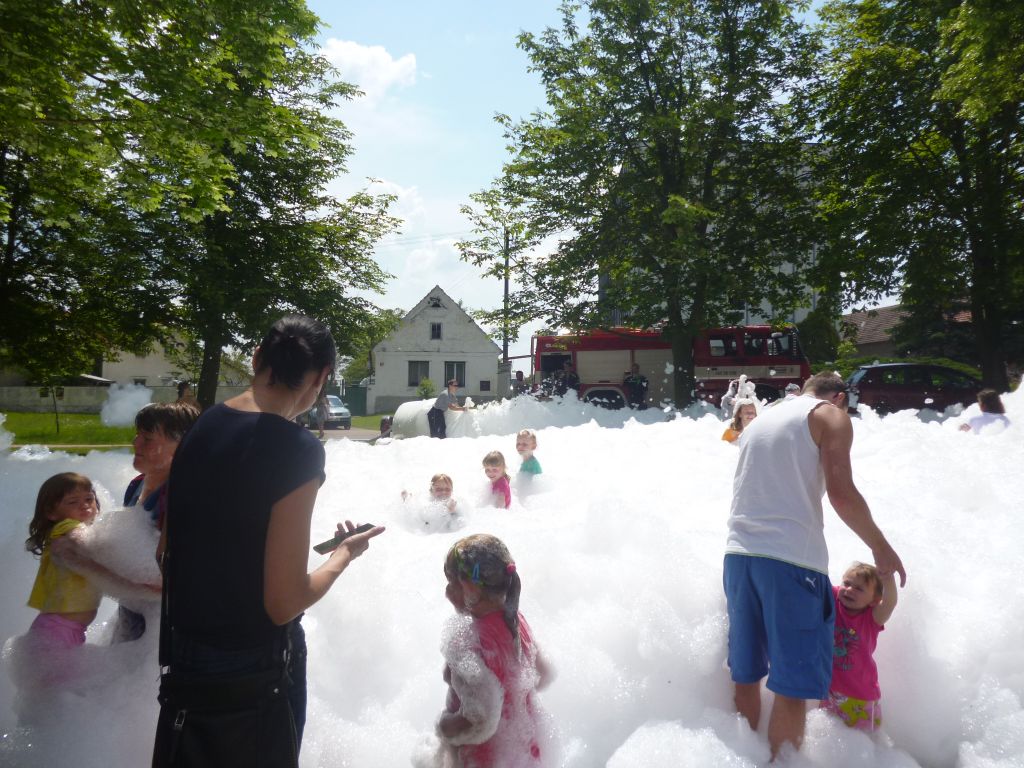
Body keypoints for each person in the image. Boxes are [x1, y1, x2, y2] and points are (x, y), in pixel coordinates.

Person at [152, 315, 385, 767]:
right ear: (321, 377)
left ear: (257, 357)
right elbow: (284, 602)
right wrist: (343, 554)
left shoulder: (203, 425)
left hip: (184, 658)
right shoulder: (297, 448)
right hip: (253, 669)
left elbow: (167, 551)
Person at [724, 371, 906, 760]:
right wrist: (881, 547)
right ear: (839, 397)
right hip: (792, 562)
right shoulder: (829, 415)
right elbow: (841, 493)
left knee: (746, 675)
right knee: (792, 686)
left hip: (738, 556)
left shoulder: (763, 418)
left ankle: (741, 759)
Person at [11, 474, 160, 702]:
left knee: (58, 696)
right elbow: (82, 540)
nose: (84, 506)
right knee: (61, 698)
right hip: (57, 634)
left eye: (89, 499)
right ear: (51, 513)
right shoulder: (66, 528)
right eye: (73, 502)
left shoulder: (67, 530)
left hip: (57, 631)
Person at [432, 534, 552, 767]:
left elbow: (480, 721)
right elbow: (544, 674)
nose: (446, 591)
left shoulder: (467, 641)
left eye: (451, 583)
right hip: (524, 744)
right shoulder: (516, 620)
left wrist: (444, 727)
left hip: (485, 757)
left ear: (469, 588)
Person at [115, 401, 200, 642]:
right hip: (132, 614)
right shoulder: (136, 485)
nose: (136, 443)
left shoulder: (182, 498)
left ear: (183, 446)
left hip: (161, 627)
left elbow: (174, 579)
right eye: (137, 435)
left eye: (148, 438)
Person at [822, 562, 898, 732]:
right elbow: (818, 580)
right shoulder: (833, 599)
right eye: (847, 583)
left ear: (874, 600)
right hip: (829, 691)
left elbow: (889, 603)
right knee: (830, 736)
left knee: (863, 741)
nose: (849, 590)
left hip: (860, 697)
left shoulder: (872, 619)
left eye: (859, 589)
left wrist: (888, 578)